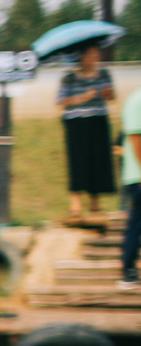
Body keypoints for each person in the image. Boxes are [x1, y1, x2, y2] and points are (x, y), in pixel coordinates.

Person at [58, 41, 119, 222]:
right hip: (76, 122)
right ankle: (75, 204)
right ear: (82, 58)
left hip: (98, 120)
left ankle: (95, 203)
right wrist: (84, 97)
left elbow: (112, 97)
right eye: (91, 55)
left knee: (97, 159)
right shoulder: (69, 78)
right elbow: (61, 101)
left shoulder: (104, 74)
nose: (95, 58)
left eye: (97, 55)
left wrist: (108, 92)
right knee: (78, 160)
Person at [121, 72, 140, 287]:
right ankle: (128, 270)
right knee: (137, 223)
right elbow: (136, 140)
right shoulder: (137, 102)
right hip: (138, 176)